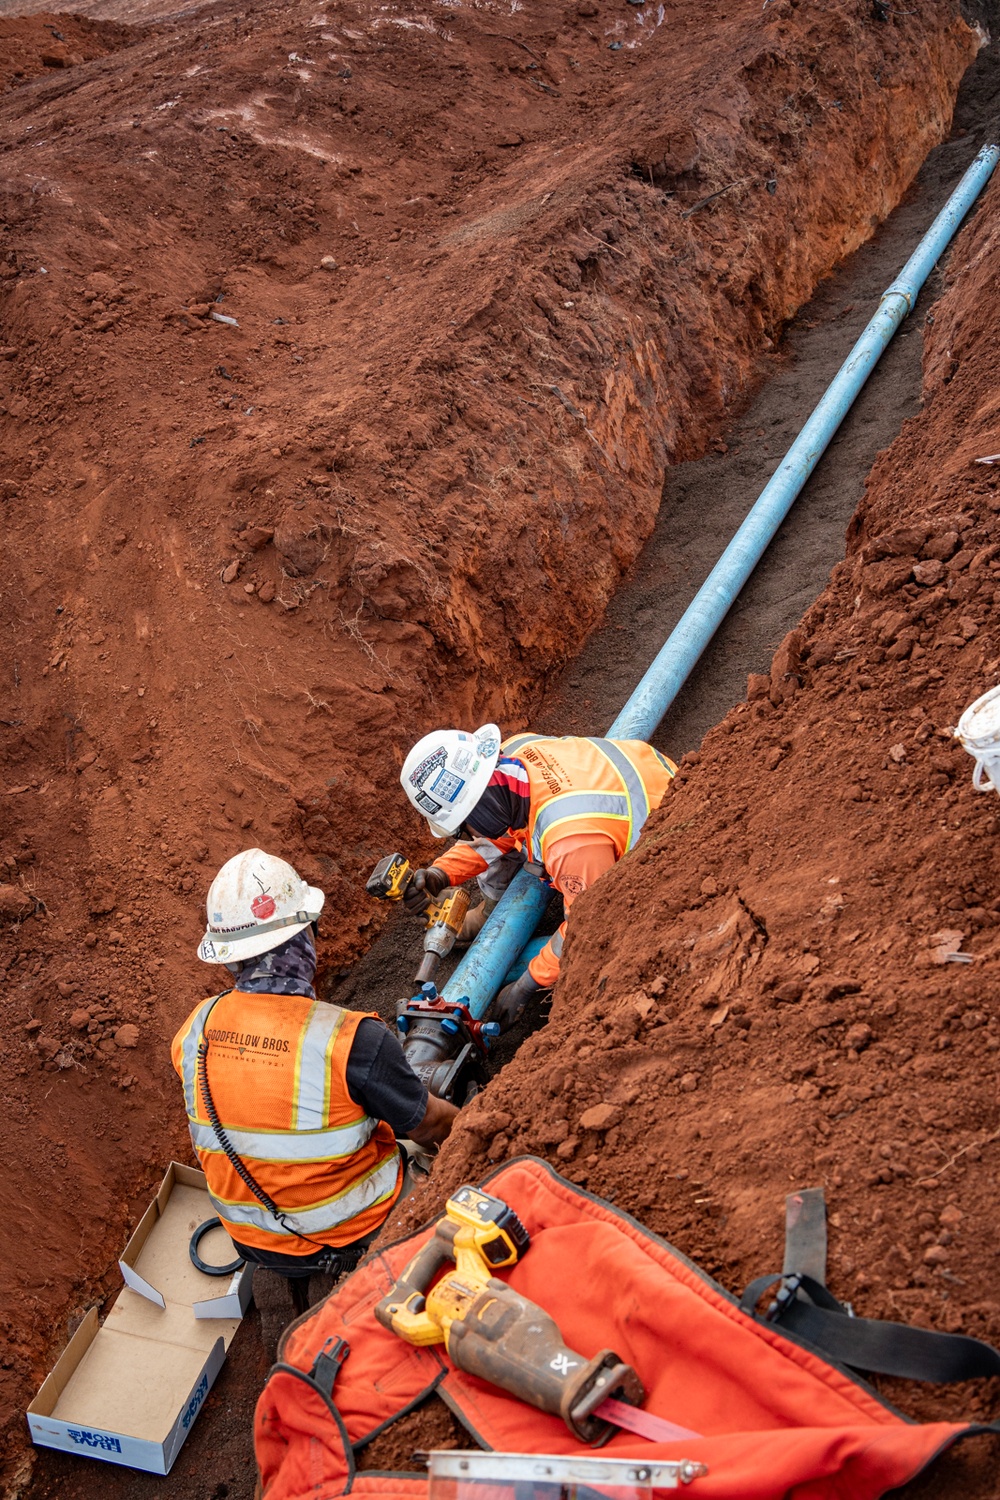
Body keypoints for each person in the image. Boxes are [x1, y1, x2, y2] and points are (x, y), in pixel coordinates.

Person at [171, 849, 457, 1303]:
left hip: (251, 1238)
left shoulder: (193, 1030)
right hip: (352, 1229)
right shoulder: (350, 1038)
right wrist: (476, 1122)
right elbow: (431, 1126)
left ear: (230, 959)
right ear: (305, 935)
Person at [399, 726, 676, 1028]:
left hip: (667, 854)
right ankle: (492, 914)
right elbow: (498, 832)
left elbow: (587, 928)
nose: (466, 836)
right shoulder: (516, 751)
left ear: (483, 809)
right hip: (645, 774)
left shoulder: (570, 842)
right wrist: (443, 873)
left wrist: (526, 984)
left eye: (463, 828)